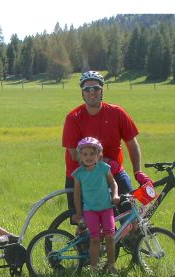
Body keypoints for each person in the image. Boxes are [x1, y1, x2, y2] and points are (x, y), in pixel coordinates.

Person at [61, 71, 151, 220]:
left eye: (96, 88)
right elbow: (74, 154)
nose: (92, 92)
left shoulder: (117, 113)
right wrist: (104, 162)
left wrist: (137, 172)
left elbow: (132, 144)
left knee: (132, 214)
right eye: (87, 89)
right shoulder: (73, 118)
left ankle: (130, 239)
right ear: (82, 93)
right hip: (82, 175)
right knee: (84, 223)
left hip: (114, 172)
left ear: (102, 90)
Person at [71, 137, 121, 274]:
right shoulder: (78, 174)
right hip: (90, 211)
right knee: (95, 239)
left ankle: (111, 265)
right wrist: (79, 213)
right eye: (85, 154)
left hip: (106, 209)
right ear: (80, 155)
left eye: (92, 154)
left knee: (110, 236)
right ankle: (94, 268)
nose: (88, 157)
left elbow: (113, 183)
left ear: (98, 154)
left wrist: (115, 195)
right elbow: (77, 195)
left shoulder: (104, 168)